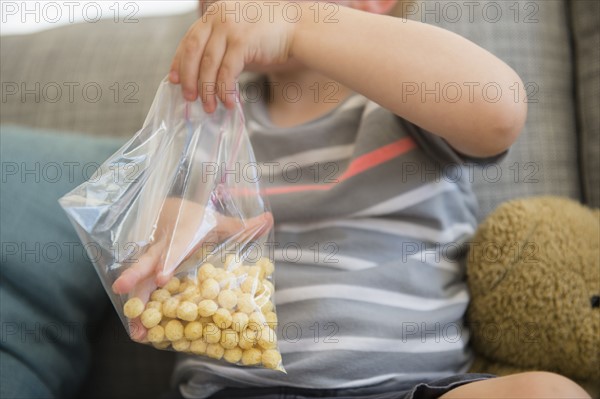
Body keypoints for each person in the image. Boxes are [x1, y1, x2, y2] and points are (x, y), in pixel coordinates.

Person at [114, 1, 590, 398]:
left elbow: (499, 107)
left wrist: (298, 25)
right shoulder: (210, 120)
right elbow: (146, 260)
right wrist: (169, 233)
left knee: (549, 394)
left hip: (411, 387)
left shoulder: (407, 101)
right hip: (238, 387)